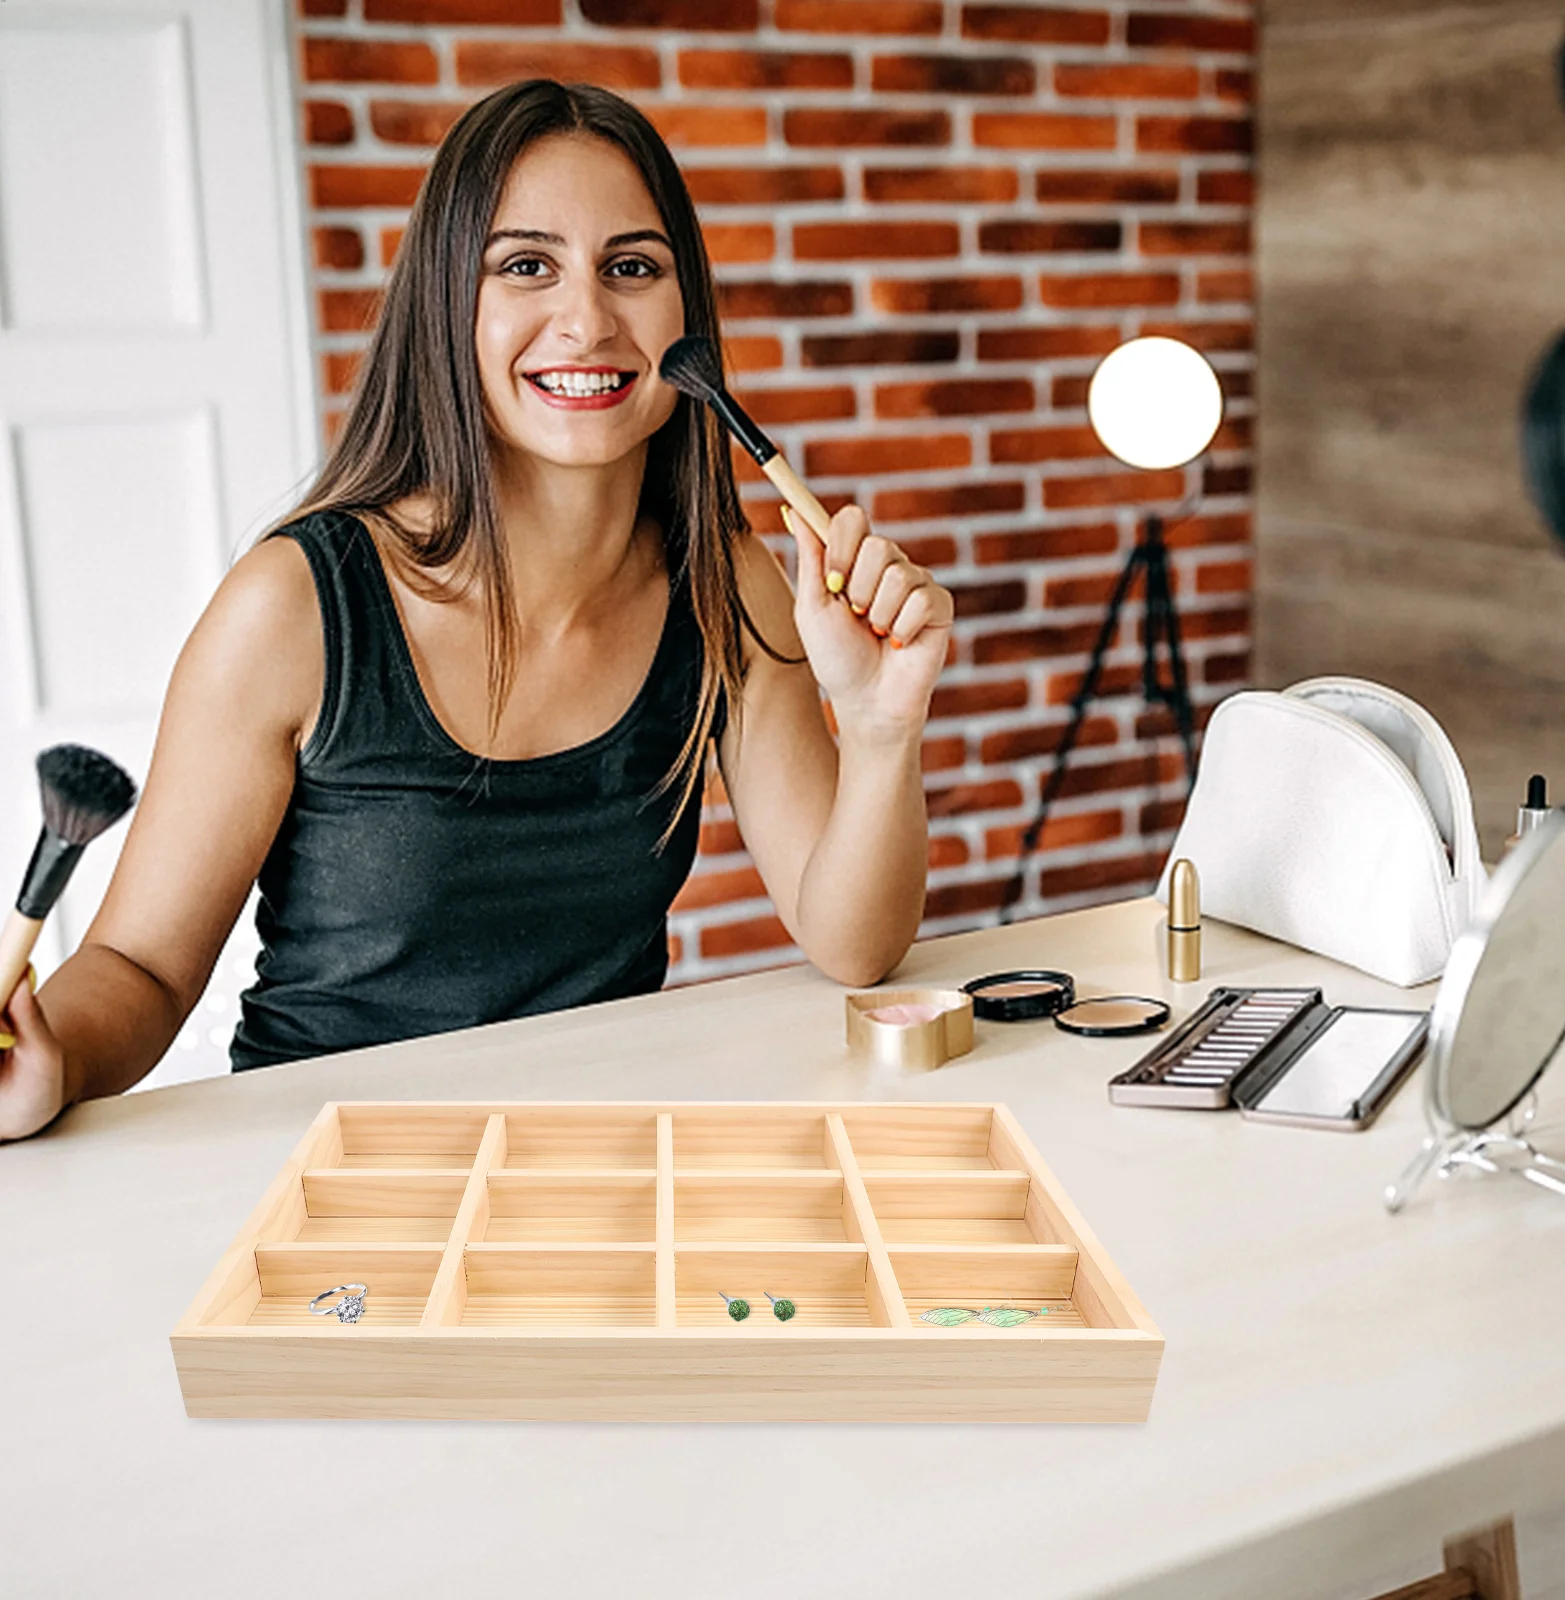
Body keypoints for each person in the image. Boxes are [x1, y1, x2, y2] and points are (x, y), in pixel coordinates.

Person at [0, 80, 953, 1143]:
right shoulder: (295, 606)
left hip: (602, 1166)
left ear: (685, 312)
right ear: (449, 299)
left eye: (630, 267)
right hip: (337, 1182)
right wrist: (52, 1056)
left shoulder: (724, 581)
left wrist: (878, 730)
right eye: (525, 265)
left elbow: (854, 947)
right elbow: (138, 966)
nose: (587, 320)